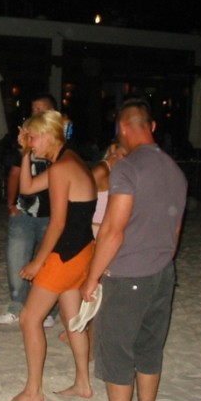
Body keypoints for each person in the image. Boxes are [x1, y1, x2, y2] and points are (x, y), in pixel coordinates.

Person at [75, 98, 187, 401]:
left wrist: (92, 278)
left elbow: (113, 230)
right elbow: (175, 231)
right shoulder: (175, 170)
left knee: (116, 351)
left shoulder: (126, 169)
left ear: (122, 128)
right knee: (150, 349)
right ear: (151, 126)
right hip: (163, 274)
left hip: (128, 275)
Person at [3, 109, 97, 401]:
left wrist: (37, 263)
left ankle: (33, 391)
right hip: (82, 250)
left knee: (29, 319)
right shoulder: (70, 160)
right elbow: (27, 188)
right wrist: (25, 153)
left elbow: (57, 223)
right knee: (72, 320)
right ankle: (83, 383)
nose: (30, 142)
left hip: (66, 253)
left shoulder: (61, 168)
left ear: (48, 135)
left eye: (32, 137)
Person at [0, 93, 59, 329]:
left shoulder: (60, 143)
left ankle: (48, 309)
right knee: (17, 260)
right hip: (24, 211)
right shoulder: (25, 142)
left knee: (48, 263)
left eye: (42, 108)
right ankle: (17, 305)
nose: (37, 112)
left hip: (52, 214)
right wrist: (11, 204)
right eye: (34, 108)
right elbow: (15, 173)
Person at [58, 141, 126, 352]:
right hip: (96, 233)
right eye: (124, 152)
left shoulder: (121, 173)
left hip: (107, 234)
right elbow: (78, 200)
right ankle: (83, 334)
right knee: (86, 288)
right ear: (112, 150)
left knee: (96, 289)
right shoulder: (100, 171)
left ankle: (88, 337)